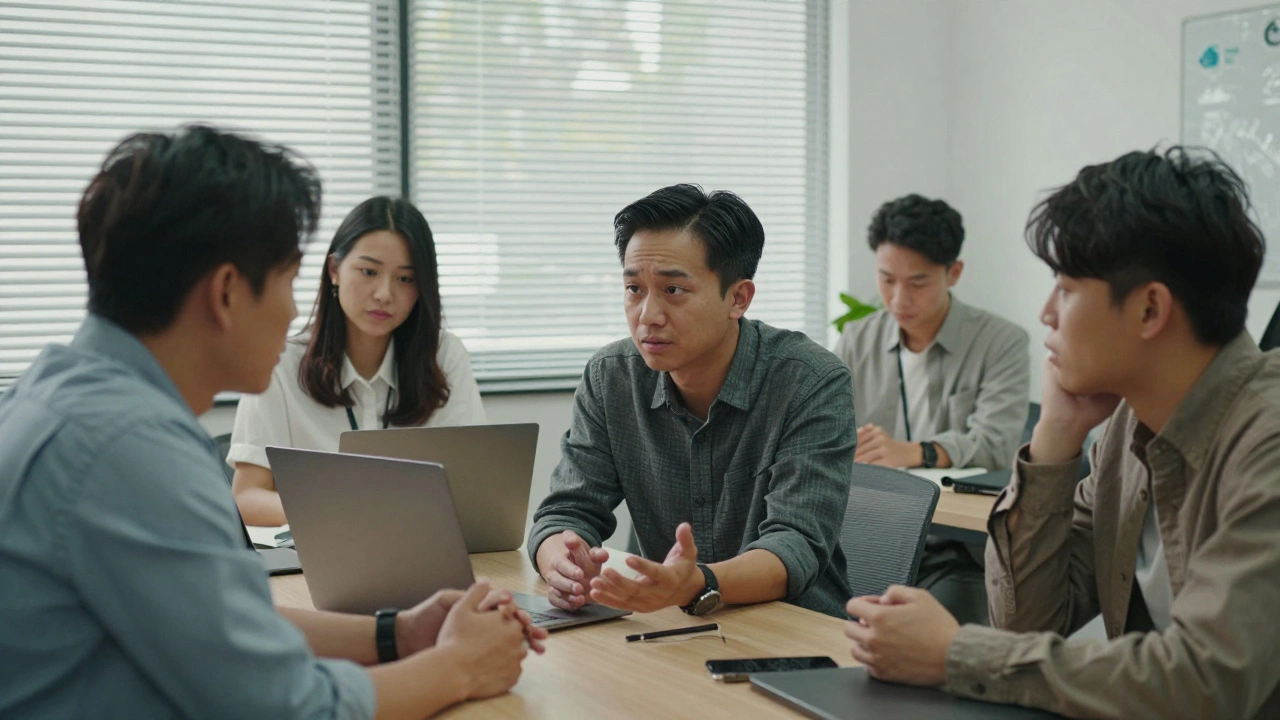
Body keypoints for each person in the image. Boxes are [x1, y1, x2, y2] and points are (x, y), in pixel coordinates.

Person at [0, 125, 545, 720]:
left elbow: (218, 624)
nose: (292, 310)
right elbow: (287, 707)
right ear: (226, 292)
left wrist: (398, 634)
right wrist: (461, 667)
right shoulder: (130, 450)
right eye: (287, 280)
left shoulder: (62, 396)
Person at [843, 147, 1280, 719]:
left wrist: (954, 654)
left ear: (1150, 310)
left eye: (1067, 289)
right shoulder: (1126, 426)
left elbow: (1208, 681)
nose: (1047, 313)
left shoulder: (1266, 439)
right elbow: (1027, 621)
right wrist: (1054, 437)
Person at [527, 184, 856, 619]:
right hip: (673, 627)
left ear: (737, 298)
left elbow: (796, 544)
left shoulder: (809, 381)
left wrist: (698, 582)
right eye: (633, 288)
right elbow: (567, 511)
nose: (647, 316)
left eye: (673, 291)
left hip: (796, 627)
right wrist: (563, 564)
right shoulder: (612, 377)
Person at [229, 196, 485, 526]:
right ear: (334, 270)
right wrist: (341, 511)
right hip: (320, 545)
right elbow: (247, 497)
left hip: (421, 542)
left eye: (405, 279)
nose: (384, 294)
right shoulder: (281, 363)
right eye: (369, 271)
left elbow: (473, 488)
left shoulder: (444, 357)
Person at [833, 194, 1029, 625]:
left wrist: (913, 452)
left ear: (953, 272)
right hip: (868, 538)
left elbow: (995, 444)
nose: (898, 298)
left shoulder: (1000, 342)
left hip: (956, 552)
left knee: (934, 640)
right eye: (887, 279)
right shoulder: (857, 340)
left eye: (917, 283)